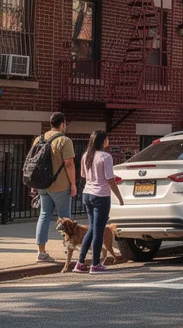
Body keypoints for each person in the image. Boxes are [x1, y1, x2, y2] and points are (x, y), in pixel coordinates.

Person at [75, 130, 124, 274]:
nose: (108, 141)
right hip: (101, 196)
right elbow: (109, 179)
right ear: (103, 141)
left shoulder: (86, 155)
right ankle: (95, 264)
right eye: (107, 139)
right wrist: (119, 197)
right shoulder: (106, 157)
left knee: (92, 228)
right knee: (99, 230)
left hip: (87, 194)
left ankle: (80, 262)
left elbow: (83, 175)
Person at [33, 112, 76, 263]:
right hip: (60, 185)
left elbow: (33, 163)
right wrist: (73, 184)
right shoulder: (64, 140)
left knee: (44, 216)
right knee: (65, 218)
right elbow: (69, 163)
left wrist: (33, 184)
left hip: (42, 185)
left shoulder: (39, 139)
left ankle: (41, 252)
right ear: (62, 124)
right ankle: (68, 248)